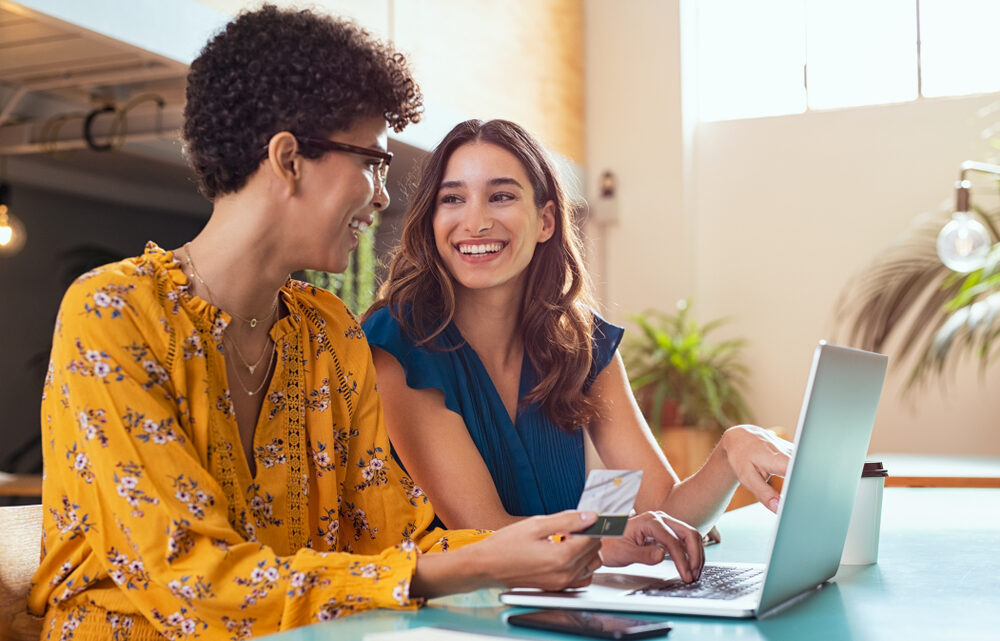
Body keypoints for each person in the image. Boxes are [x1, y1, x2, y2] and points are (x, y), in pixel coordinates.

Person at [28, 10, 613, 639]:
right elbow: (192, 583)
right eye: (373, 162)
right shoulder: (114, 312)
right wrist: (466, 566)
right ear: (288, 159)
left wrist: (544, 545)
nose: (385, 195)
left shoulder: (326, 331)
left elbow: (393, 532)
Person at [362, 119, 793, 571]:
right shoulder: (400, 345)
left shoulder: (580, 343)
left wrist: (730, 450)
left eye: (501, 196)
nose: (476, 221)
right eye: (452, 199)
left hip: (563, 608)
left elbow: (665, 508)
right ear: (431, 220)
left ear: (546, 220)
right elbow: (484, 531)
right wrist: (602, 540)